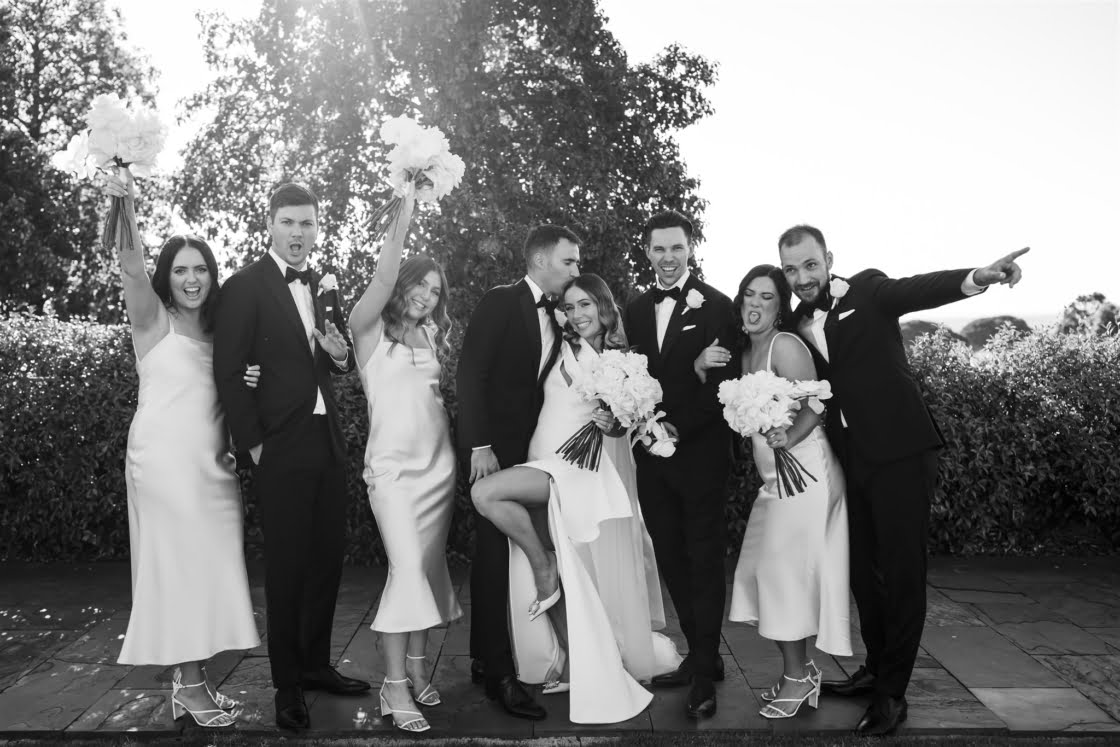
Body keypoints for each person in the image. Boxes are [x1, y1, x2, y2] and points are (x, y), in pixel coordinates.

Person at [776, 225, 1028, 735]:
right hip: (851, 459)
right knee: (862, 573)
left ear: (829, 259)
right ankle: (876, 667)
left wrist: (979, 276)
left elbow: (920, 289)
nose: (801, 277)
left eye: (809, 265)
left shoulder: (868, 290)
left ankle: (892, 694)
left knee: (902, 575)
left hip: (902, 453)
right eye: (791, 269)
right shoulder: (797, 321)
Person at [471, 274, 682, 724]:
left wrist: (616, 423)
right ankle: (574, 659)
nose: (576, 314)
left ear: (603, 307)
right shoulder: (558, 348)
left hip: (573, 470)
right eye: (569, 307)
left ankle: (542, 564)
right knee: (568, 573)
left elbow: (626, 423)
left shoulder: (621, 361)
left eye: (585, 304)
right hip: (539, 458)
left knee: (486, 493)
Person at [103, 173, 260, 729]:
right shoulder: (153, 319)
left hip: (213, 466)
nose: (192, 279)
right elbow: (130, 264)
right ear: (167, 277)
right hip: (164, 463)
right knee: (180, 569)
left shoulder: (223, 332)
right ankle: (190, 687)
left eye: (201, 269)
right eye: (180, 270)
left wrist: (251, 377)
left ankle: (192, 683)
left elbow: (236, 394)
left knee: (211, 569)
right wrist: (125, 197)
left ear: (213, 276)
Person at [213, 183, 368, 731]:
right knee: (286, 568)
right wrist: (254, 446)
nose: (298, 233)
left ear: (317, 228)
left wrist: (341, 358)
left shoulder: (325, 284)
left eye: (307, 223)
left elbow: (335, 362)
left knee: (327, 559)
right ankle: (286, 685)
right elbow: (229, 371)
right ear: (271, 224)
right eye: (289, 222)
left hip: (328, 442)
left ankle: (316, 665)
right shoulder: (244, 287)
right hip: (279, 446)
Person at [695, 264, 851, 720]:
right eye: (749, 294)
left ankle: (798, 677)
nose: (755, 303)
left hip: (807, 472)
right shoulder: (745, 351)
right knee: (777, 573)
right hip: (774, 478)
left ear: (780, 306)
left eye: (766, 296)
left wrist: (789, 436)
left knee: (783, 574)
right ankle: (800, 673)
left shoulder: (785, 345)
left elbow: (817, 402)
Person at [455, 224, 581, 721]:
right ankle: (499, 677)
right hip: (493, 453)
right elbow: (471, 372)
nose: (576, 269)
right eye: (569, 261)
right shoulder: (501, 301)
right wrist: (479, 445)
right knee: (491, 559)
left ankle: (483, 657)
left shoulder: (563, 315)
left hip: (536, 452)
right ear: (541, 261)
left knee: (500, 559)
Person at [347, 188, 462, 733]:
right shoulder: (368, 328)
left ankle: (416, 666)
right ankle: (393, 685)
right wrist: (404, 213)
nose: (427, 296)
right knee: (407, 569)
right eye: (421, 284)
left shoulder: (432, 334)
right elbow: (382, 277)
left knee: (428, 567)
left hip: (439, 468)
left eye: (436, 291)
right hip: (392, 471)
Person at [622, 210, 737, 719]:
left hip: (702, 455)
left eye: (676, 248)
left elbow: (723, 389)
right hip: (651, 459)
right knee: (670, 556)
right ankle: (701, 653)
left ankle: (705, 672)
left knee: (704, 561)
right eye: (659, 249)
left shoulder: (718, 306)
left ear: (691, 249)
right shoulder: (635, 308)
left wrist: (675, 427)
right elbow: (632, 376)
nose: (668, 258)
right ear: (647, 251)